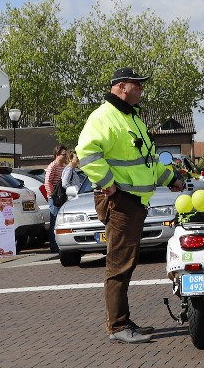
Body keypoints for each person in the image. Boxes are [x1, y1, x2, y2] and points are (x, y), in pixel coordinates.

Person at [76, 67, 183, 344]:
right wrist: (109, 185)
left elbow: (147, 162)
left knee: (126, 262)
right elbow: (86, 152)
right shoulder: (104, 117)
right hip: (121, 201)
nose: (142, 89)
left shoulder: (131, 118)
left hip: (132, 202)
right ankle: (118, 326)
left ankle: (122, 322)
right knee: (119, 264)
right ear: (122, 86)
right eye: (138, 84)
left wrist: (171, 178)